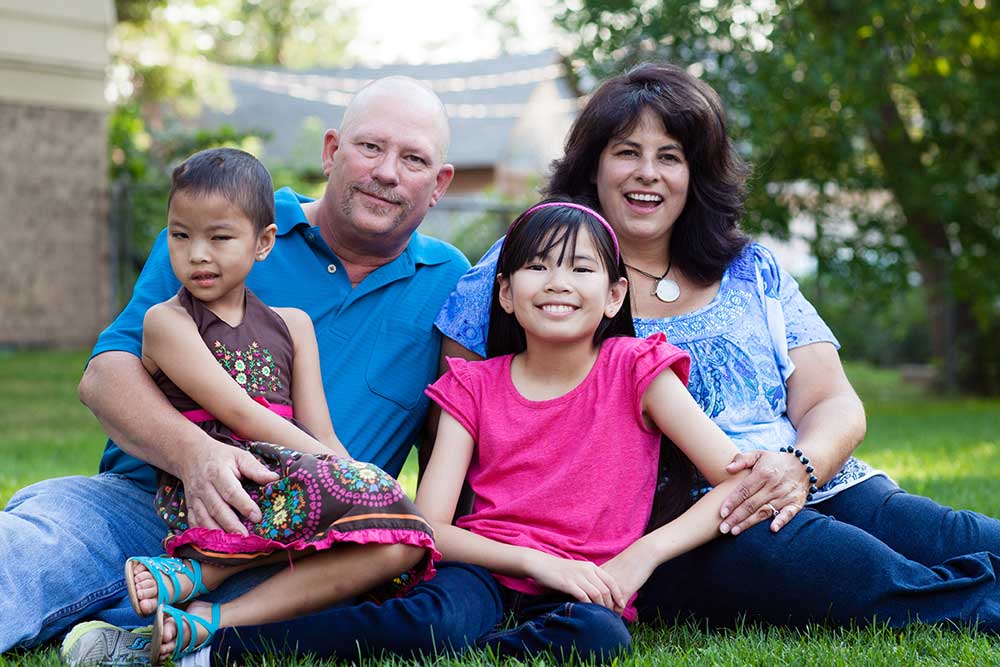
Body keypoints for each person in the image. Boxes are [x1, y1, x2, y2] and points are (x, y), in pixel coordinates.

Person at [434, 63, 1000, 632]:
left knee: (959, 536)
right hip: (680, 528)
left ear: (696, 173)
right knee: (882, 583)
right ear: (593, 167)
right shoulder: (525, 268)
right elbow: (465, 418)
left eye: (671, 156)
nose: (647, 174)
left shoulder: (751, 269)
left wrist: (800, 469)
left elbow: (834, 401)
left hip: (811, 479)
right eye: (627, 152)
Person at [3, 76, 499, 663]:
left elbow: (467, 434)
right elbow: (105, 376)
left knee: (323, 600)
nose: (387, 172)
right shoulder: (217, 226)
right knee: (32, 551)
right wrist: (196, 456)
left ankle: (153, 628)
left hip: (295, 554)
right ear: (331, 150)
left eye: (413, 158)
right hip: (141, 501)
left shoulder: (450, 285)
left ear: (440, 183)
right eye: (370, 147)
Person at [123, 147, 438, 664]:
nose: (197, 254)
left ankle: (208, 617)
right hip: (226, 487)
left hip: (287, 478)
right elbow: (243, 416)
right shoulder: (168, 321)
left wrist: (358, 475)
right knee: (374, 503)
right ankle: (198, 570)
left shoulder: (292, 325)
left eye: (219, 237)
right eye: (180, 236)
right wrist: (345, 476)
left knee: (404, 539)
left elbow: (322, 430)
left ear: (263, 242)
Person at [417, 199, 750, 663]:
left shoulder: (638, 369)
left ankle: (476, 652)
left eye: (580, 268)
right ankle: (278, 633)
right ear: (506, 293)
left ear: (615, 295)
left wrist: (645, 554)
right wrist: (535, 561)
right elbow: (429, 527)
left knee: (598, 638)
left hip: (585, 586)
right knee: (430, 621)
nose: (558, 282)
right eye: (537, 266)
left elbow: (737, 479)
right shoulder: (471, 384)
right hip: (484, 568)